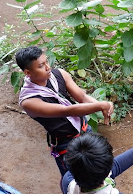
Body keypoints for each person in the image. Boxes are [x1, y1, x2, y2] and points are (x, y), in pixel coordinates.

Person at [16, 46, 114, 176]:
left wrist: (103, 106)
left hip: (84, 129)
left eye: (47, 62)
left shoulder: (59, 74)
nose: (47, 67)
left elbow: (82, 97)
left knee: (101, 169)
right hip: (65, 143)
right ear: (28, 72)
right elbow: (67, 111)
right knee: (77, 181)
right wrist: (100, 106)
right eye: (41, 66)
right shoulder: (29, 101)